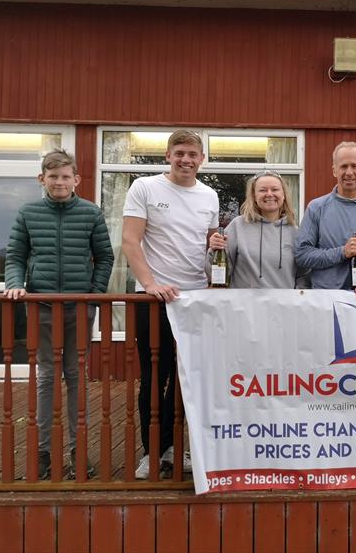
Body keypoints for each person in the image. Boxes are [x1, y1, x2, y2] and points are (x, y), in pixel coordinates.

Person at [4, 149, 114, 480]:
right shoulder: (28, 213)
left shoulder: (91, 213)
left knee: (76, 376)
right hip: (42, 306)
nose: (59, 182)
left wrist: (93, 295)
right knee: (48, 377)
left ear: (76, 179)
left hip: (80, 309)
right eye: (53, 176)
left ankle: (78, 452)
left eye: (65, 176)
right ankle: (44, 454)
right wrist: (14, 283)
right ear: (42, 179)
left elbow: (105, 257)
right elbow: (15, 255)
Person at [122, 129, 219, 479]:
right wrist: (150, 284)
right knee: (153, 377)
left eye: (193, 154)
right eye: (179, 153)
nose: (186, 160)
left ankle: (173, 447)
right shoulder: (144, 188)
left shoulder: (209, 196)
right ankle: (151, 452)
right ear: (167, 155)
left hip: (193, 300)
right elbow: (130, 241)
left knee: (185, 379)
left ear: (202, 160)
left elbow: (207, 247)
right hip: (153, 299)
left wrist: (216, 251)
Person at [295, 141, 356, 303]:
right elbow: (302, 255)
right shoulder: (316, 208)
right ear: (334, 171)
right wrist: (342, 252)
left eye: (355, 166)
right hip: (325, 301)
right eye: (343, 166)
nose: (349, 172)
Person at [208, 169, 310, 288]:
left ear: (284, 195)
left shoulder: (295, 232)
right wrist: (214, 250)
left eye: (275, 189)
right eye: (262, 190)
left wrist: (297, 297)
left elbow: (304, 275)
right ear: (254, 196)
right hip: (244, 305)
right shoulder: (238, 226)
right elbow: (215, 273)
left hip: (283, 305)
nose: (269, 194)